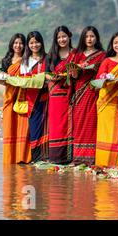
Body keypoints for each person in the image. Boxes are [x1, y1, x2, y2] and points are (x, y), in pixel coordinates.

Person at [69, 26, 106, 165]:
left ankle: (92, 157)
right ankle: (78, 157)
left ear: (96, 38)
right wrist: (74, 72)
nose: (89, 39)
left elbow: (104, 74)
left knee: (92, 121)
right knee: (79, 122)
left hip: (93, 91)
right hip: (79, 92)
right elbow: (73, 75)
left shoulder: (102, 55)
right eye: (86, 36)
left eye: (92, 36)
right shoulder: (77, 54)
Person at [95, 32, 118, 168]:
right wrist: (107, 79)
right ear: (112, 45)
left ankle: (116, 163)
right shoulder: (106, 61)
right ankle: (103, 162)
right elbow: (98, 81)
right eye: (116, 43)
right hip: (106, 102)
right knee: (105, 132)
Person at [0, 33, 32, 164]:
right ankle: (10, 159)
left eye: (20, 43)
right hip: (9, 97)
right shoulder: (6, 61)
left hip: (23, 97)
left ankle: (23, 158)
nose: (18, 46)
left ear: (24, 45)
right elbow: (3, 77)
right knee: (9, 127)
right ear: (12, 44)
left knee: (23, 128)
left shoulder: (27, 60)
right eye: (15, 43)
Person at [46, 26, 76, 164]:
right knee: (57, 125)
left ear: (69, 36)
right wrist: (54, 77)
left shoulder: (75, 54)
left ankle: (69, 156)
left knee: (71, 124)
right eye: (59, 37)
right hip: (55, 96)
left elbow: (79, 72)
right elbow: (46, 73)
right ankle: (57, 157)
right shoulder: (51, 55)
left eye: (64, 36)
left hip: (71, 94)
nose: (62, 39)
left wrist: (73, 74)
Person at [21, 31, 49, 162]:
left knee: (48, 127)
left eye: (37, 42)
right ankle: (36, 158)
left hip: (47, 98)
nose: (34, 45)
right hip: (32, 100)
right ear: (28, 45)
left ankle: (47, 156)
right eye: (31, 42)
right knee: (35, 127)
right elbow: (23, 80)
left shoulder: (48, 58)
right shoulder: (25, 61)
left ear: (41, 43)